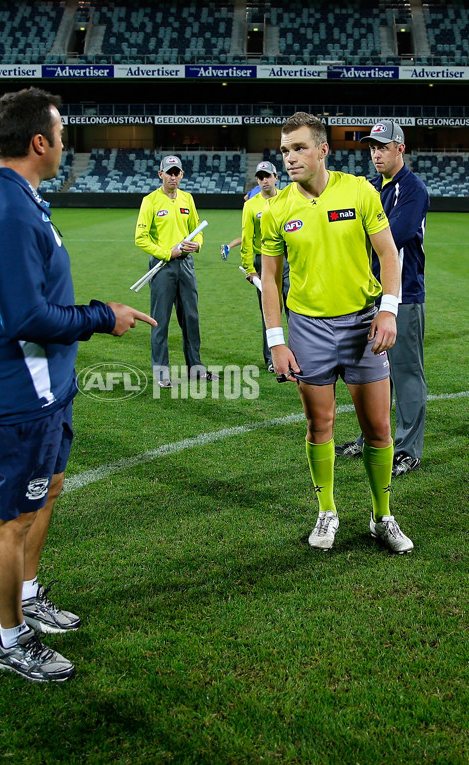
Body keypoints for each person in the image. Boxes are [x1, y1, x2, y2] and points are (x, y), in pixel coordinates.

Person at [0, 88, 156, 683]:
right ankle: (11, 637)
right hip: (20, 389)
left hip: (47, 385)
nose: (67, 141)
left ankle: (29, 594)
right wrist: (103, 315)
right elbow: (23, 317)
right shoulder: (11, 207)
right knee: (13, 517)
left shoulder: (8, 197)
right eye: (62, 131)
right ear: (39, 141)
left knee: (48, 492)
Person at [260, 111, 413, 554]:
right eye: (286, 150)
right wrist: (276, 340)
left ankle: (382, 515)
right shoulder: (277, 208)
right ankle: (327, 510)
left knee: (379, 428)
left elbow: (388, 254)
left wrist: (388, 312)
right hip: (307, 328)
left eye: (300, 147)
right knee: (319, 423)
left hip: (364, 324)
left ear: (323, 149)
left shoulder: (359, 191)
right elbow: (270, 279)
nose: (290, 158)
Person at [335, 121, 429, 477]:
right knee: (373, 374)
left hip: (403, 296)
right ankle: (371, 438)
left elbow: (396, 235)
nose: (376, 153)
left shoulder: (413, 189)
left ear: (400, 149)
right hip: (372, 295)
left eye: (383, 147)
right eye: (372, 147)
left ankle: (407, 450)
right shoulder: (374, 187)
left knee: (406, 373)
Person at [135, 154, 217, 388]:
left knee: (191, 318)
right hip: (163, 267)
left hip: (186, 265)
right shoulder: (150, 201)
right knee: (159, 321)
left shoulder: (187, 199)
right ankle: (162, 374)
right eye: (168, 172)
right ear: (160, 174)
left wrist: (198, 244)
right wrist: (164, 252)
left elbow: (197, 230)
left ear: (181, 175)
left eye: (176, 172)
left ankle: (196, 369)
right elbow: (140, 238)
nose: (172, 176)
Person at [221, 161, 288, 369]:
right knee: (269, 311)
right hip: (263, 262)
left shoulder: (289, 198)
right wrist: (249, 268)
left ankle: (299, 353)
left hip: (289, 260)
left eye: (268, 176)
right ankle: (271, 359)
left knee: (295, 309)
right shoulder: (250, 205)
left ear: (276, 177)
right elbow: (247, 238)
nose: (264, 180)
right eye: (260, 177)